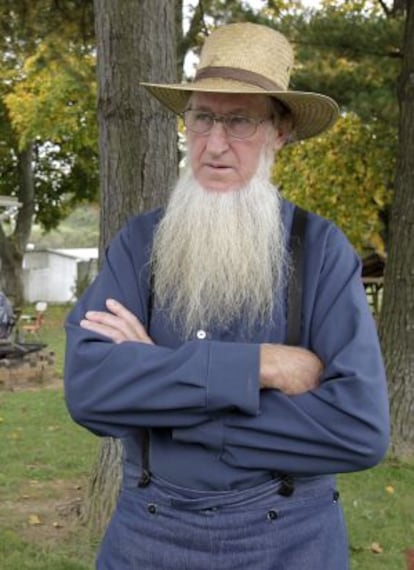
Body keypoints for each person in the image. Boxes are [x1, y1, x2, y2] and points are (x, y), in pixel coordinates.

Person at [64, 22, 389, 570]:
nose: (215, 144)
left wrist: (159, 387)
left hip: (289, 540)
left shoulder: (322, 250)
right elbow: (90, 392)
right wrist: (257, 366)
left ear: (279, 131)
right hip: (147, 534)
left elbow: (360, 431)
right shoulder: (140, 243)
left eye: (239, 121)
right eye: (203, 117)